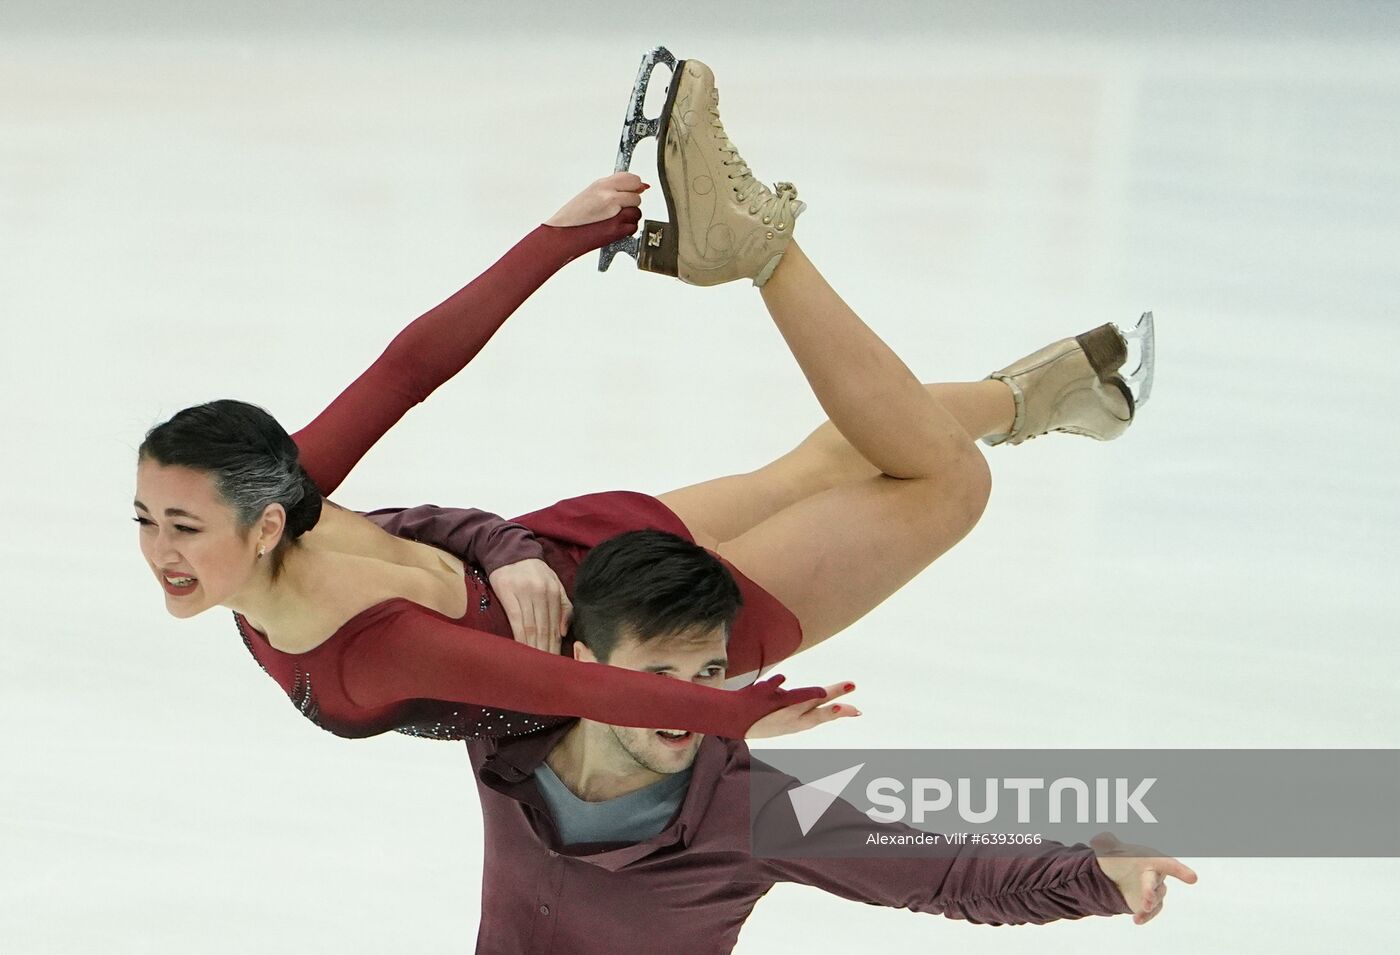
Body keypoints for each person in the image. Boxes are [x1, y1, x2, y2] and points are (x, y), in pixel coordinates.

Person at [132, 58, 1147, 745]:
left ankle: (976, 366)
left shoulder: (320, 564)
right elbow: (560, 683)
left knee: (877, 472)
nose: (160, 552)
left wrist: (558, 236)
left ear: (268, 519)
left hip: (605, 590)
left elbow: (411, 370)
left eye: (177, 522)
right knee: (898, 472)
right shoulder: (328, 590)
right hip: (628, 626)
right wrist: (728, 719)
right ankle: (1024, 392)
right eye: (151, 522)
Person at [462, 528, 1195, 954]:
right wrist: (503, 544)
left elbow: (944, 871)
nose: (689, 702)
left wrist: (1095, 874)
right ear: (585, 667)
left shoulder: (753, 810)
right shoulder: (505, 723)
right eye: (660, 675)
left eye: (708, 673)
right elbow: (375, 549)